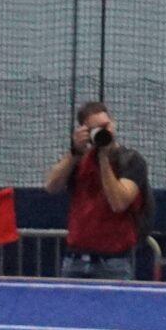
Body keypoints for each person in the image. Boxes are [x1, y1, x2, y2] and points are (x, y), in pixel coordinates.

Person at [44, 101, 150, 279]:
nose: (104, 132)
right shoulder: (79, 161)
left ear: (113, 124)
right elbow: (51, 186)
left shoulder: (131, 160)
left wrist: (103, 158)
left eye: (106, 126)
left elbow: (118, 202)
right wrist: (75, 152)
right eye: (96, 129)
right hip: (75, 260)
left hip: (113, 263)